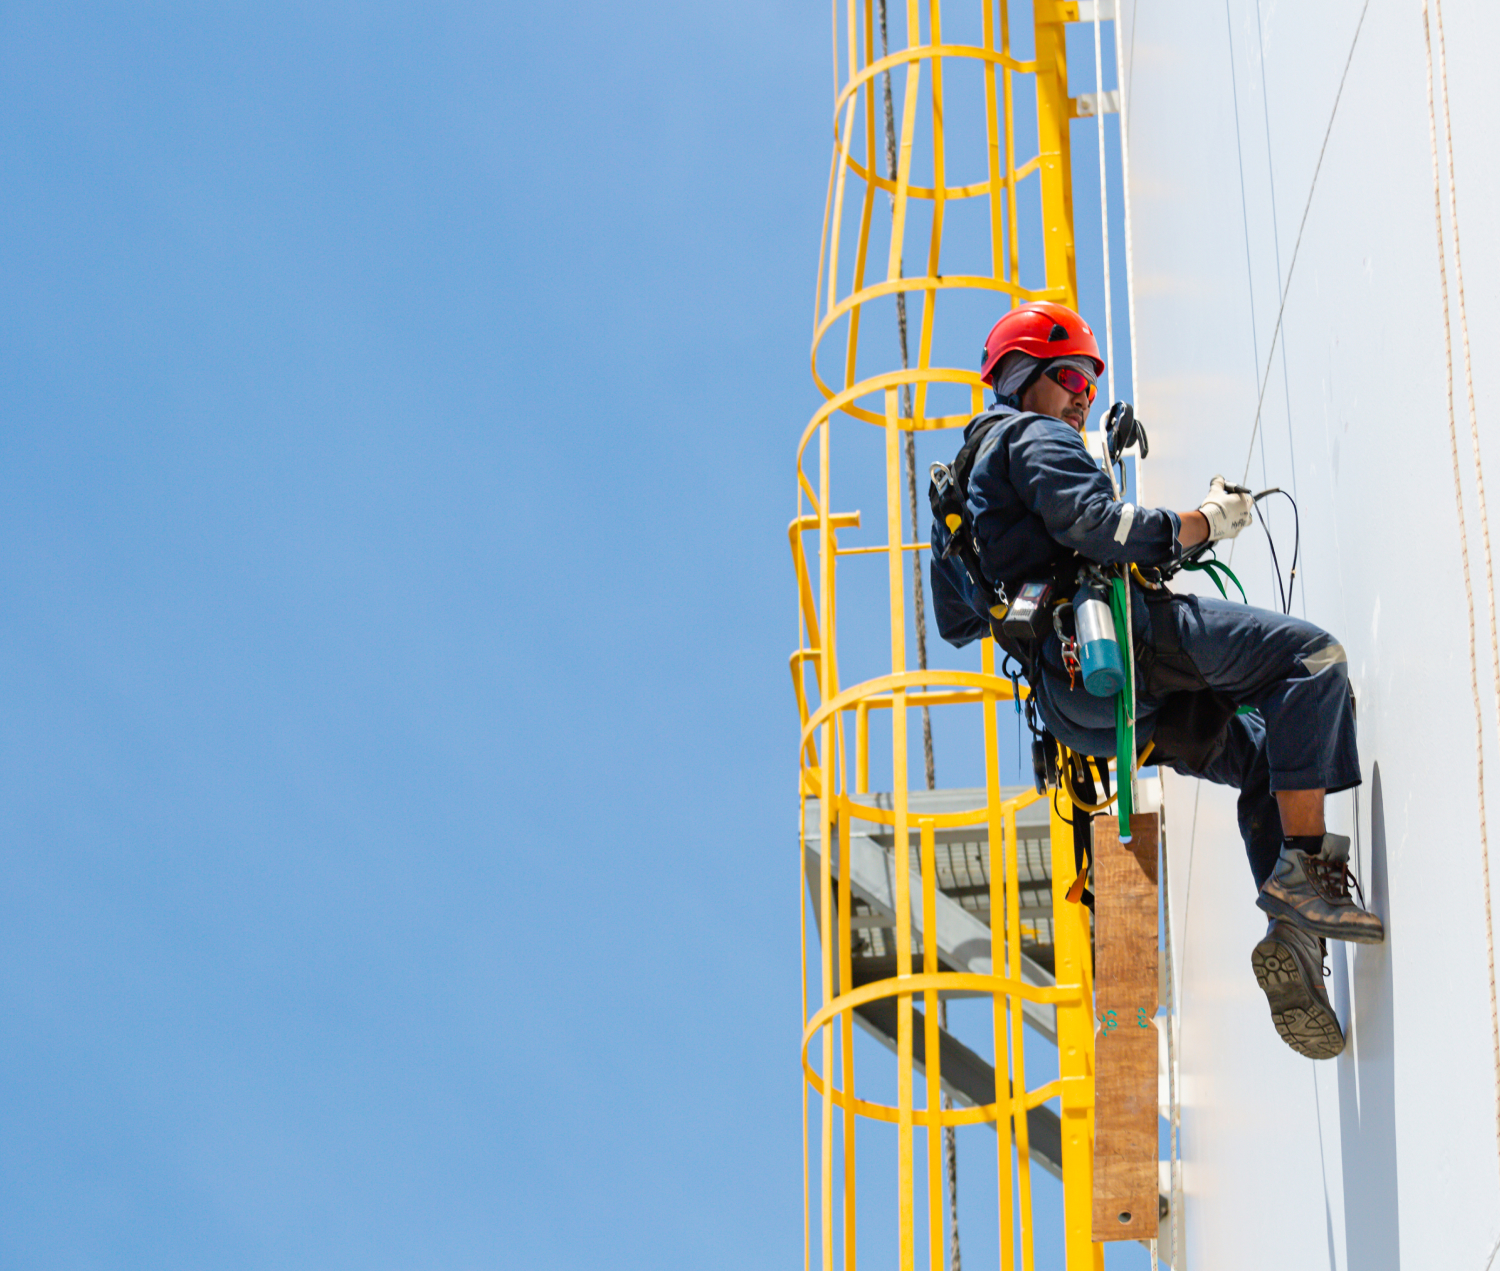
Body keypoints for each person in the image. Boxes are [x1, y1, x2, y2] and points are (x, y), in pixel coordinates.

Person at [929, 300, 1383, 1061]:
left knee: (1266, 753)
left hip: (1083, 705)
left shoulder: (967, 492)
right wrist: (1205, 520)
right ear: (1022, 378)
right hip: (1122, 641)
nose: (1082, 397)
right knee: (1311, 664)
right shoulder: (1033, 437)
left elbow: (957, 622)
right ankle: (1304, 876)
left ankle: (1295, 937)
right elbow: (1102, 527)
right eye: (1070, 375)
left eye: (1088, 384)